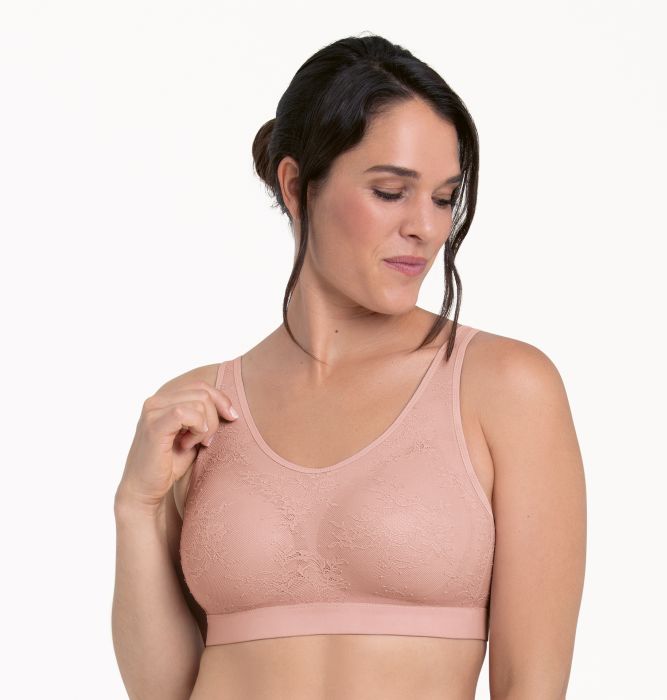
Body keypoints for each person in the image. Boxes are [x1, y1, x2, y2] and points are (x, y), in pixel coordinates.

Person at [112, 33, 586, 700]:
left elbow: (531, 684)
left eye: (444, 198)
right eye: (391, 191)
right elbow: (165, 692)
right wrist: (136, 508)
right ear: (296, 185)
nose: (426, 227)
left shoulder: (503, 387)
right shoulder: (197, 409)